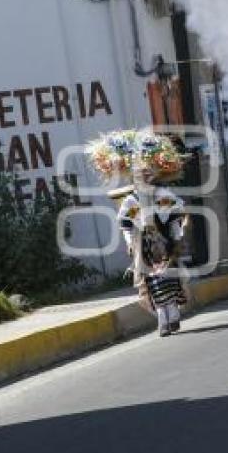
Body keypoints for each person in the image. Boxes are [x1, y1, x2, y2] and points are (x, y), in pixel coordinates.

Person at [88, 130, 188, 337]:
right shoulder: (131, 201)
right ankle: (162, 319)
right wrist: (130, 242)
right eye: (138, 174)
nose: (143, 177)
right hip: (143, 248)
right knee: (150, 282)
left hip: (165, 244)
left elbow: (174, 219)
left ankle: (173, 314)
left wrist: (177, 238)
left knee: (169, 278)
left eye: (146, 173)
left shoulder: (162, 195)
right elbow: (126, 224)